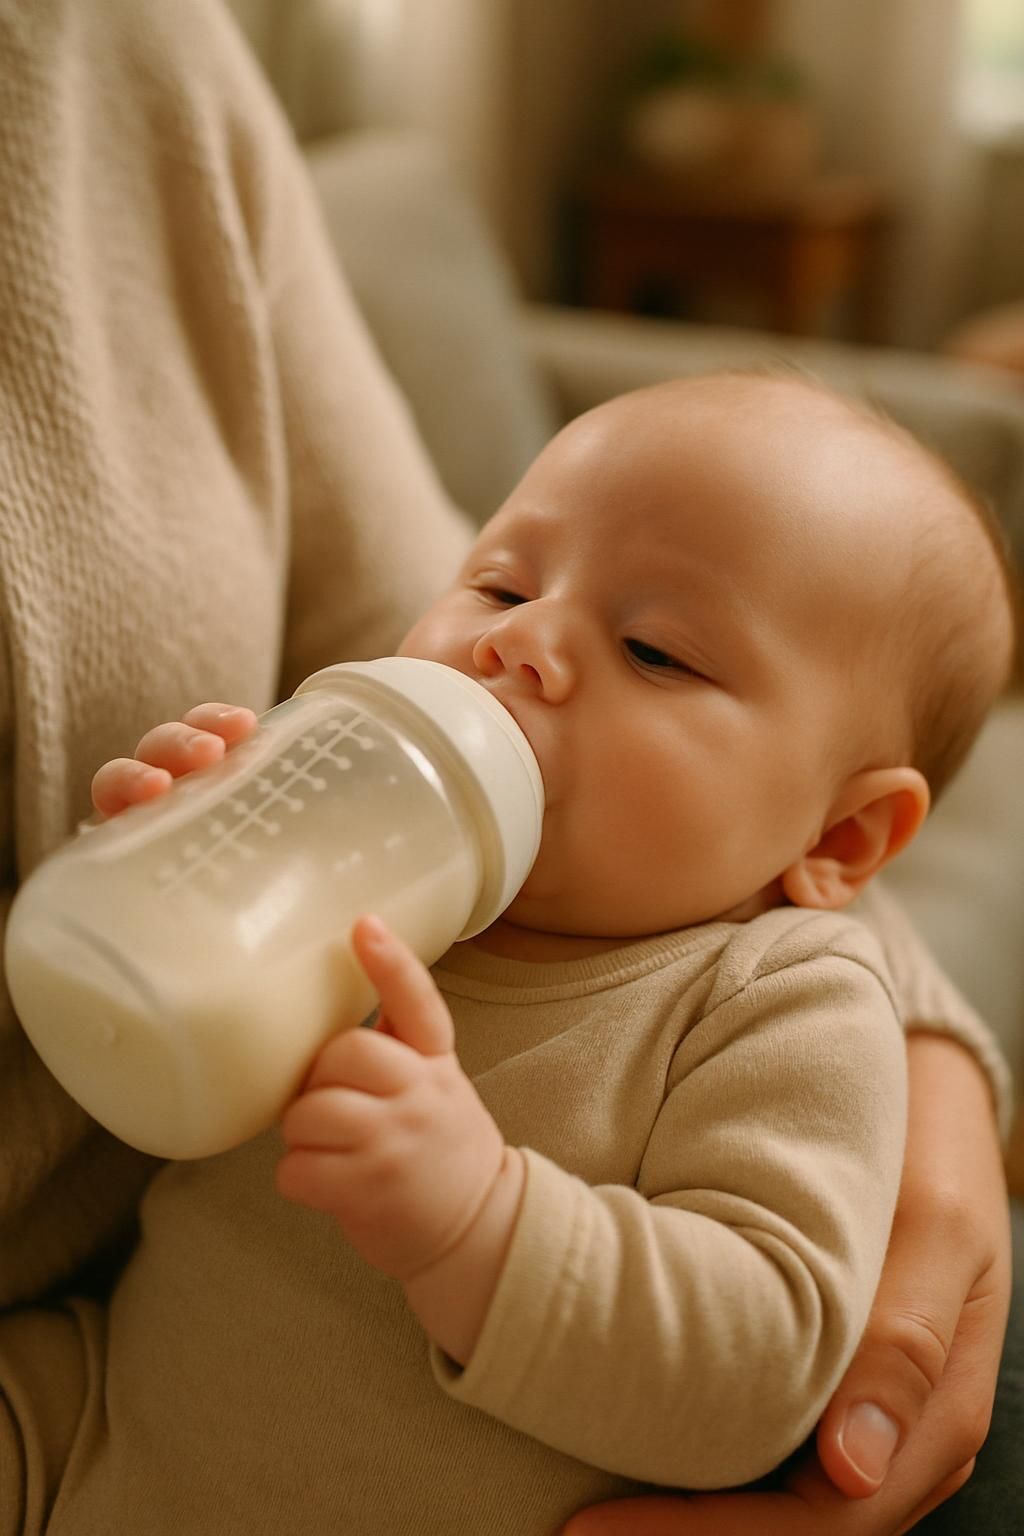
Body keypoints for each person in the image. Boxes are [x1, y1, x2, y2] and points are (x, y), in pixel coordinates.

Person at [0, 1, 1017, 1533]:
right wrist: (200, 833)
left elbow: (762, 1359)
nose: (520, 645)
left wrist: (483, 1226)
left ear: (846, 843)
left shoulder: (778, 1004)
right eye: (495, 580)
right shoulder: (379, 876)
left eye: (660, 652)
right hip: (95, 1439)